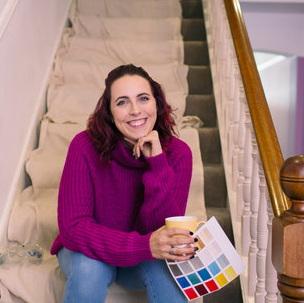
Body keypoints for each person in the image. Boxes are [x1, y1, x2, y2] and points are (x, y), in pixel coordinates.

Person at [50, 64, 195, 302]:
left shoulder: (178, 155)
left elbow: (161, 231)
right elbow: (74, 229)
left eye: (143, 98)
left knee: (168, 273)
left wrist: (157, 164)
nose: (136, 110)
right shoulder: (83, 146)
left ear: (157, 104)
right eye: (122, 102)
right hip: (89, 251)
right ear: (109, 112)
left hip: (139, 258)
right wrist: (143, 245)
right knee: (89, 271)